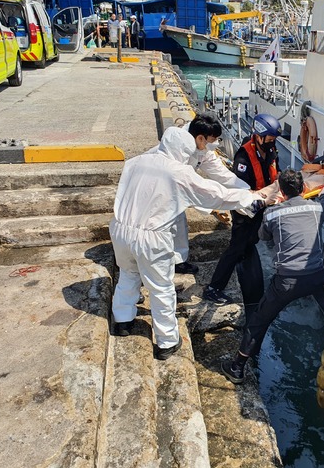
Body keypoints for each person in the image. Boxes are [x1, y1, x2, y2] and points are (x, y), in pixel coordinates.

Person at [110, 127, 263, 360]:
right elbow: (214, 193)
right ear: (182, 150)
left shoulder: (135, 162)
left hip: (120, 228)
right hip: (151, 236)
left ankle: (122, 321)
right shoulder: (177, 171)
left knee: (128, 274)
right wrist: (250, 197)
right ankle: (167, 342)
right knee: (161, 289)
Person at [221, 169, 324, 384]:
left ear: (281, 190)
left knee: (259, 321)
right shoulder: (317, 208)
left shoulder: (273, 213)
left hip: (288, 283)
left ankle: (237, 367)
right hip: (317, 277)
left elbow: (263, 237)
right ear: (303, 189)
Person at [152, 115, 251, 275]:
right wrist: (216, 205)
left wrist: (248, 190)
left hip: (175, 192)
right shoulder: (177, 149)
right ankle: (153, 269)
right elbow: (190, 188)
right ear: (200, 138)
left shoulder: (203, 149)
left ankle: (178, 261)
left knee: (179, 222)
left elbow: (222, 174)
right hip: (158, 190)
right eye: (213, 140)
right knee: (158, 230)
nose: (216, 144)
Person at [204, 113, 282, 308]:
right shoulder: (244, 156)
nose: (272, 143)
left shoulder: (271, 149)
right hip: (245, 208)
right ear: (259, 136)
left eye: (273, 140)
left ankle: (248, 250)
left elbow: (275, 174)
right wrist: (258, 198)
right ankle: (214, 287)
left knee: (251, 239)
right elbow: (239, 187)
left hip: (262, 204)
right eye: (270, 139)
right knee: (236, 247)